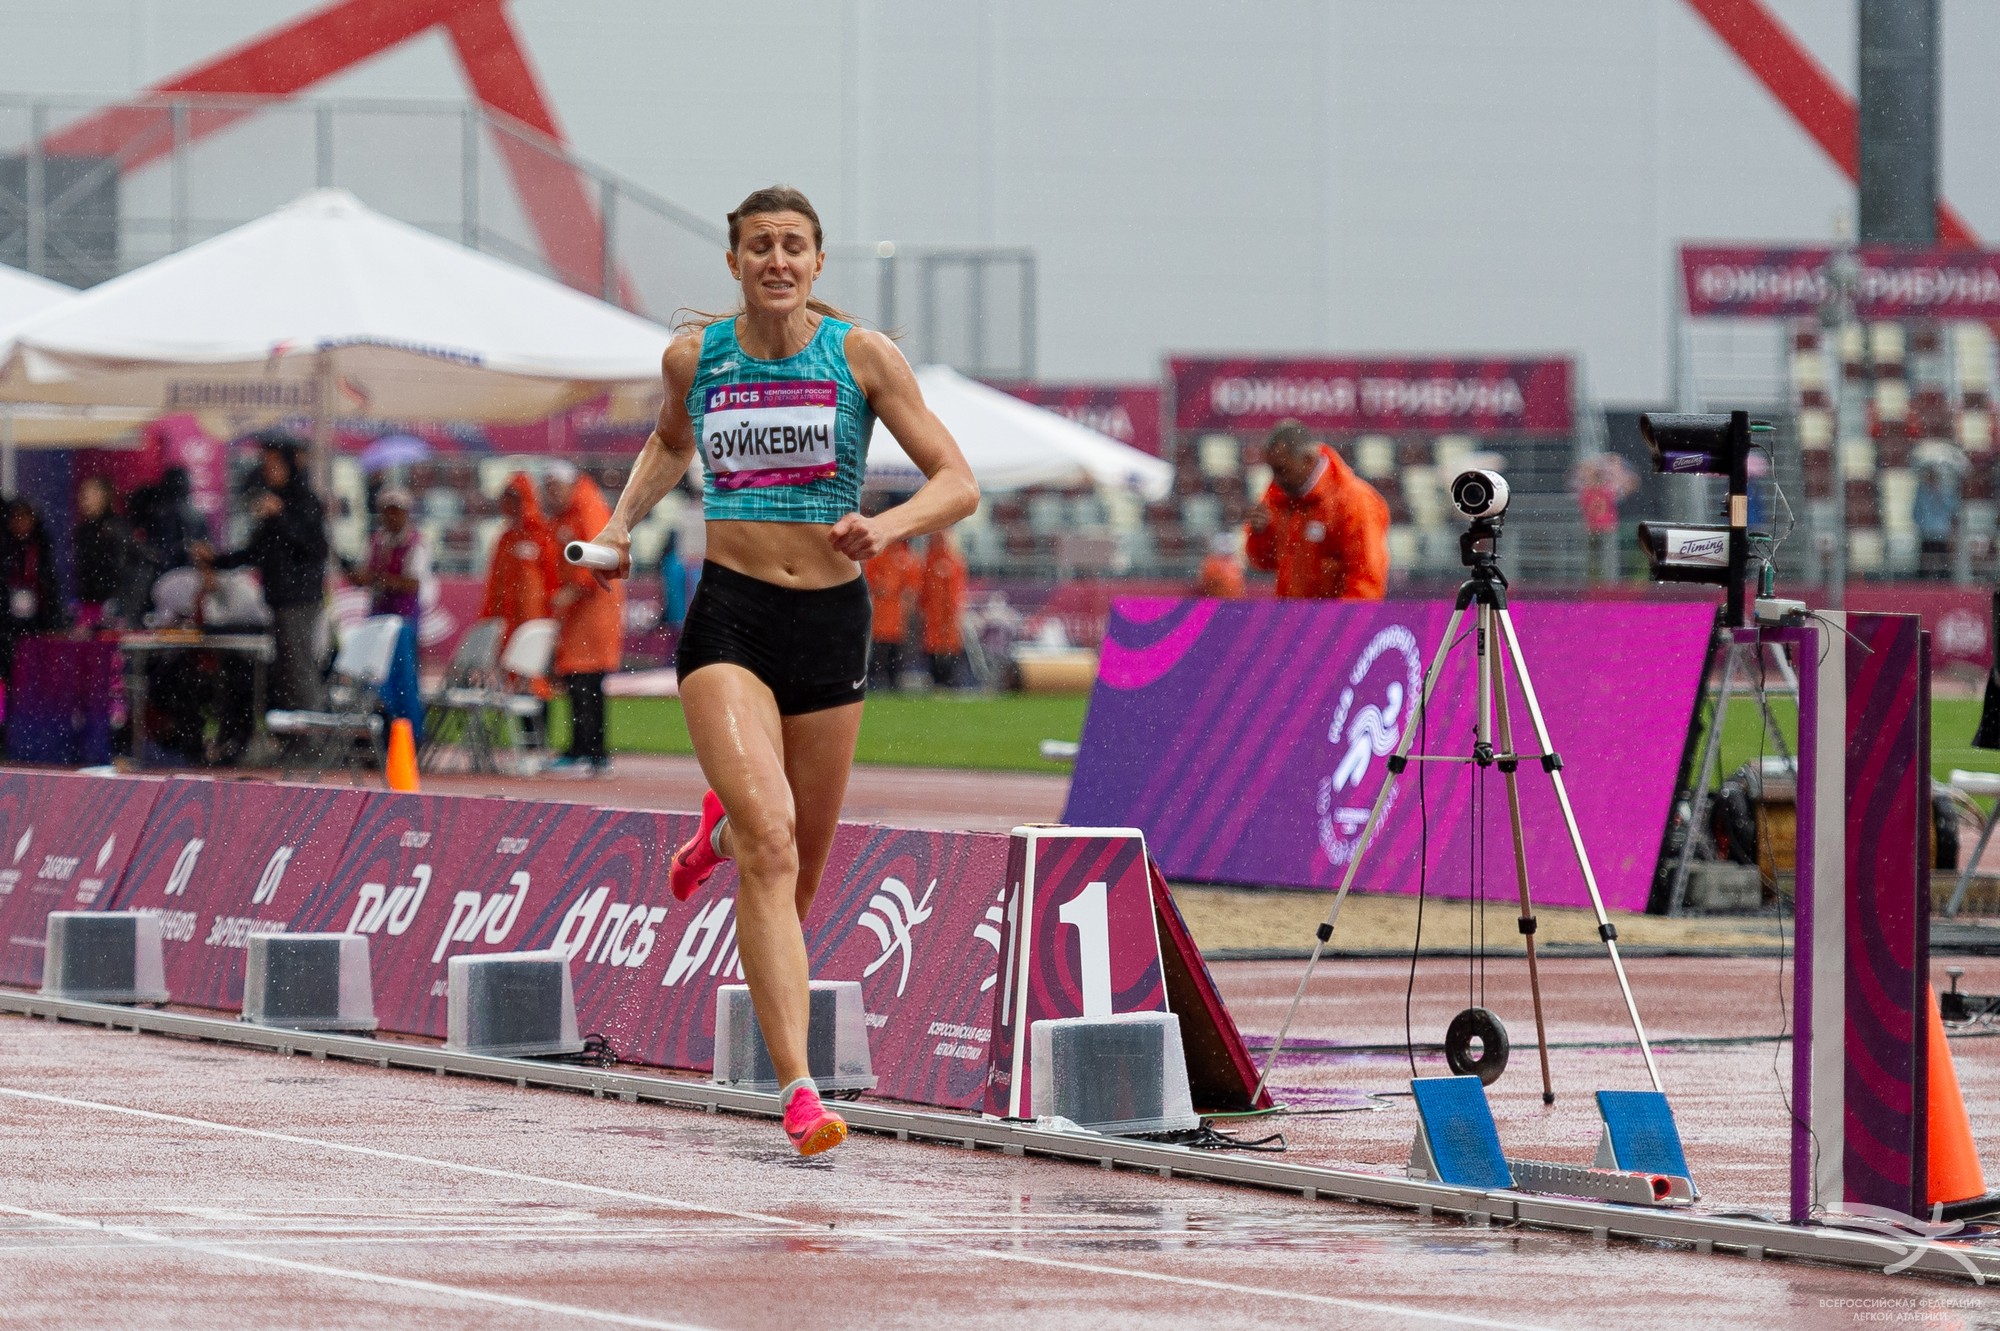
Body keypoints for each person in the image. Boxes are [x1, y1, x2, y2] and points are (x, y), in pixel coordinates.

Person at [586, 185, 976, 1155]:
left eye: (793, 245)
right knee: (773, 839)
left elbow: (957, 482)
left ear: (816, 262)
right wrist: (620, 523)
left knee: (793, 874)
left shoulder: (860, 357)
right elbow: (670, 442)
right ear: (733, 263)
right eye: (759, 245)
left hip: (832, 624)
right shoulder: (696, 358)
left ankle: (715, 838)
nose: (776, 259)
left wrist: (885, 524)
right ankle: (800, 1090)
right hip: (733, 620)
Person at [199, 433, 330, 731]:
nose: (268, 471)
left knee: (300, 672)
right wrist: (216, 561)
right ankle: (296, 738)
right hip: (279, 599)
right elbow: (256, 552)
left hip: (300, 600)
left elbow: (315, 547)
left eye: (274, 465)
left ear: (288, 465)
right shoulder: (274, 502)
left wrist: (281, 515)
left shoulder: (303, 501)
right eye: (265, 465)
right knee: (285, 674)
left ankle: (315, 741)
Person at [1244, 420, 1389, 600]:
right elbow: (1263, 563)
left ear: (1308, 460)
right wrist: (1259, 534)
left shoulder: (1355, 502)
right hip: (1292, 614)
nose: (1276, 479)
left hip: (1331, 616)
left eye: (1282, 470)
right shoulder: (1277, 496)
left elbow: (1366, 582)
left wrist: (1334, 618)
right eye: (1273, 471)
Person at [544, 461, 623, 775]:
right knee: (578, 680)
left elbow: (598, 556)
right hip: (580, 612)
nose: (550, 494)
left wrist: (573, 589)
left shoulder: (588, 508)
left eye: (554, 487)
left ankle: (591, 751)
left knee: (586, 681)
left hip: (593, 609)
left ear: (569, 484)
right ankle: (583, 748)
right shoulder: (570, 513)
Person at [346, 486, 430, 739]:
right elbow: (364, 574)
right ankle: (379, 732)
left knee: (403, 681)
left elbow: (413, 583)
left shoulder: (416, 544)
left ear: (406, 513)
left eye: (396, 511)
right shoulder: (376, 542)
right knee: (375, 678)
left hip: (402, 622)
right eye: (387, 511)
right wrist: (361, 577)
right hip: (378, 620)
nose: (391, 517)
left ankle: (408, 734)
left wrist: (379, 580)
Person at [481, 473, 560, 643]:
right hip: (506, 615)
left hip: (534, 616)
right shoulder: (505, 539)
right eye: (508, 500)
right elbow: (495, 581)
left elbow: (552, 577)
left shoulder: (543, 535)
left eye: (516, 500)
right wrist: (489, 613)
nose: (512, 507)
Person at [0, 499, 64, 692]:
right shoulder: (6, 548)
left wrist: (53, 617)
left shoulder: (41, 547)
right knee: (10, 668)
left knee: (37, 669)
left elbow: (50, 584)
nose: (20, 523)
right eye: (16, 518)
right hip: (8, 620)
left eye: (25, 517)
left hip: (37, 618)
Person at [73, 476, 136, 628]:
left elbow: (122, 568)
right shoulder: (83, 530)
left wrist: (118, 599)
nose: (84, 500)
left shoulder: (116, 527)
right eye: (82, 495)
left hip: (113, 601)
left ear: (105, 496)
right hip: (89, 602)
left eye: (89, 494)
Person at [863, 536, 921, 689]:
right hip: (882, 616)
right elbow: (872, 582)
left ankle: (888, 682)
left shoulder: (906, 557)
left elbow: (911, 589)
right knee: (882, 652)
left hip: (894, 616)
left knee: (892, 652)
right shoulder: (885, 555)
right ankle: (881, 682)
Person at [919, 529, 969, 687]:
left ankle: (948, 680)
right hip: (934, 613)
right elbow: (924, 589)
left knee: (949, 646)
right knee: (934, 646)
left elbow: (957, 590)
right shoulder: (929, 561)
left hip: (947, 613)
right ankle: (939, 680)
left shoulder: (954, 561)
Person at [1196, 531, 1247, 599]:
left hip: (1233, 599)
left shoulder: (1236, 562)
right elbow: (1205, 584)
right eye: (1224, 543)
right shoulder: (1211, 563)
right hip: (1215, 599)